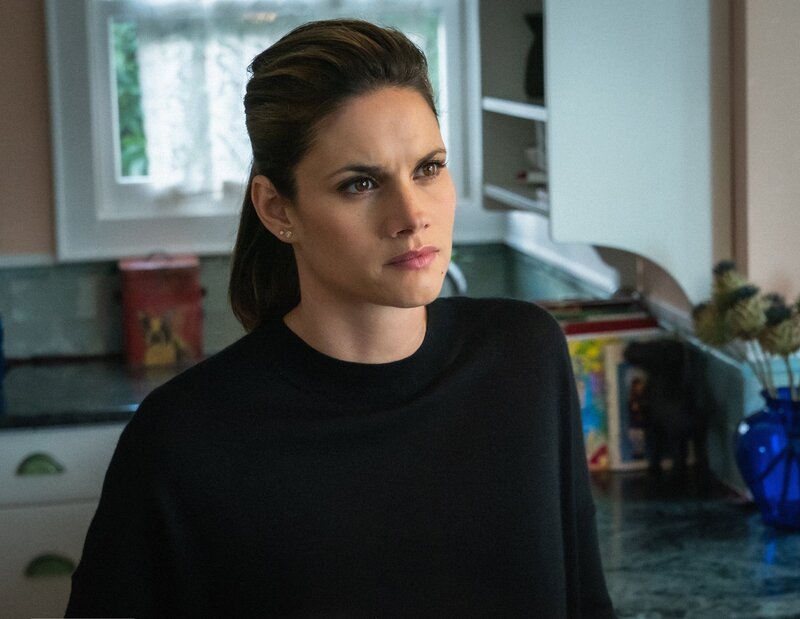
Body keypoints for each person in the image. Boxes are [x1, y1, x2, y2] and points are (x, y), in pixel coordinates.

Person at [66, 18, 615, 618]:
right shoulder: (183, 439)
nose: (412, 214)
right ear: (278, 210)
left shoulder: (525, 357)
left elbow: (585, 602)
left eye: (428, 167)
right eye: (360, 184)